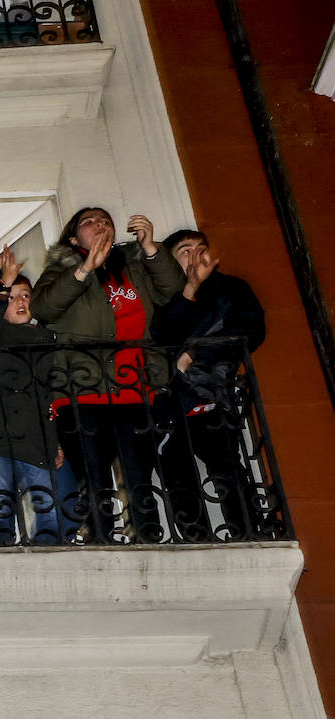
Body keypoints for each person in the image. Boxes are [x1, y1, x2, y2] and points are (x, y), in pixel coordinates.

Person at [31, 207, 185, 542]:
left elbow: (173, 290)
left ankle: (147, 537)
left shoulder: (134, 265)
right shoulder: (60, 270)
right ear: (73, 238)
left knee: (138, 472)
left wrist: (150, 249)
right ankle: (100, 538)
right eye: (90, 222)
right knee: (93, 473)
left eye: (106, 221)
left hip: (134, 385)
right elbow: (43, 309)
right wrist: (85, 269)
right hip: (82, 386)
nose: (100, 225)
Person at [151, 229, 268, 540]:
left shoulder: (230, 288)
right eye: (185, 250)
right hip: (171, 403)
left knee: (228, 469)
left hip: (212, 394)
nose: (196, 256)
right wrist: (189, 289)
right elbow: (162, 335)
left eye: (201, 248)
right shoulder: (164, 295)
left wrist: (196, 353)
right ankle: (195, 539)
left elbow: (248, 329)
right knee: (178, 477)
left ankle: (247, 534)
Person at [0, 249, 71, 545]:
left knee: (47, 507)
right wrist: (3, 284)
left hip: (36, 434)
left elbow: (47, 396)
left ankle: (48, 552)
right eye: (12, 297)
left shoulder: (44, 341)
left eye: (25, 295)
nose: (21, 301)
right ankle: (0, 551)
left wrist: (54, 440)